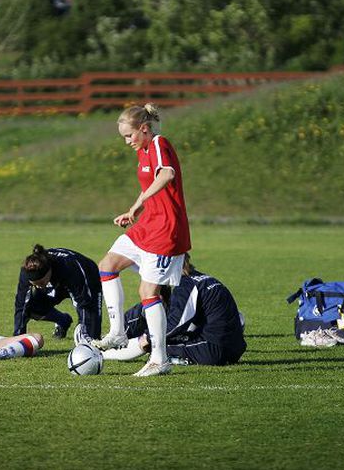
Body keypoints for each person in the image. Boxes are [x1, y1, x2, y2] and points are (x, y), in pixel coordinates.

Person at [92, 103, 191, 377]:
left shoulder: (159, 143)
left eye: (129, 136)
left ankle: (160, 360)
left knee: (148, 294)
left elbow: (167, 174)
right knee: (107, 264)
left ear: (144, 129)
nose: (127, 142)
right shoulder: (144, 150)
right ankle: (118, 332)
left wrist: (141, 204)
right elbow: (148, 186)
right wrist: (133, 209)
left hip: (166, 229)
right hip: (148, 224)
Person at [83, 254, 246, 366]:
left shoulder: (187, 285)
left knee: (156, 346)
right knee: (155, 328)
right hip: (234, 347)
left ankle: (99, 356)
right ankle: (105, 344)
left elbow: (175, 325)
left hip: (213, 350)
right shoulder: (202, 279)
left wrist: (146, 338)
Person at [13, 244, 102, 340]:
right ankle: (63, 320)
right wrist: (18, 339)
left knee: (90, 318)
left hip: (88, 276)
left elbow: (84, 304)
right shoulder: (27, 271)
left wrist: (88, 338)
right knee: (31, 308)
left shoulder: (69, 268)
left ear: (49, 271)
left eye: (41, 282)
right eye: (35, 284)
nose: (39, 286)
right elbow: (21, 305)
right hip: (57, 281)